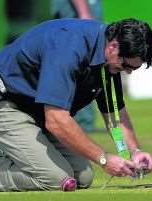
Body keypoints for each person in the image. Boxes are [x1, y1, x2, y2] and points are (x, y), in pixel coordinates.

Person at [0, 18, 152, 192]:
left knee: (83, 177)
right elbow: (56, 120)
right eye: (127, 66)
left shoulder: (108, 62)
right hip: (1, 108)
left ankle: (6, 151)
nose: (128, 72)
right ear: (113, 47)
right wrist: (103, 159)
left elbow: (113, 114)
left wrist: (133, 151)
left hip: (37, 116)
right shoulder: (69, 47)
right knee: (58, 180)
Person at [51, 0, 105, 133]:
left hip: (82, 12)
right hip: (80, 13)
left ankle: (83, 122)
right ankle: (81, 123)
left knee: (84, 68)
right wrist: (84, 13)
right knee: (82, 69)